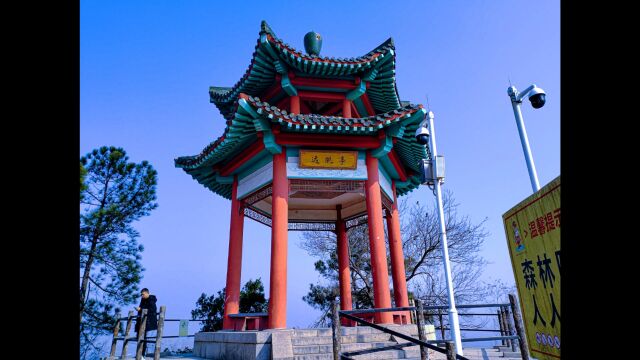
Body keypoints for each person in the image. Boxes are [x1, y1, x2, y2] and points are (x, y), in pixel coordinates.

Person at [135, 288, 158, 358]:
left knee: (143, 337)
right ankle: (139, 354)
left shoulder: (151, 300)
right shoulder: (143, 300)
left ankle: (142, 354)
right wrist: (139, 309)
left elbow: (152, 310)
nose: (142, 296)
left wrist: (141, 309)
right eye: (141, 295)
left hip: (148, 321)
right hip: (142, 320)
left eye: (143, 294)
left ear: (147, 293)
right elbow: (142, 309)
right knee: (139, 337)